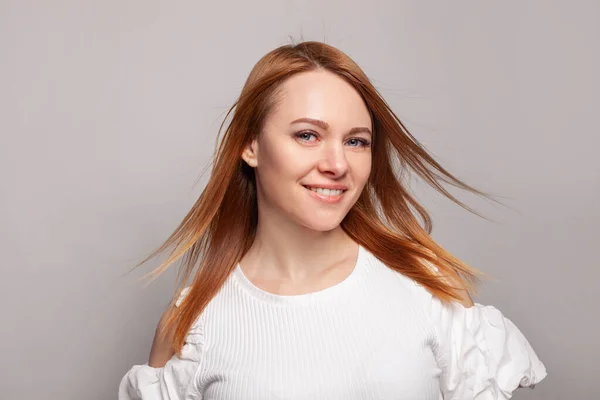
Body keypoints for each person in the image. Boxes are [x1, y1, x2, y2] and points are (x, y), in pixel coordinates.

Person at [118, 40, 547, 399]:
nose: (337, 164)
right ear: (250, 146)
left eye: (356, 141)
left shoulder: (425, 287)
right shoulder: (193, 323)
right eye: (308, 135)